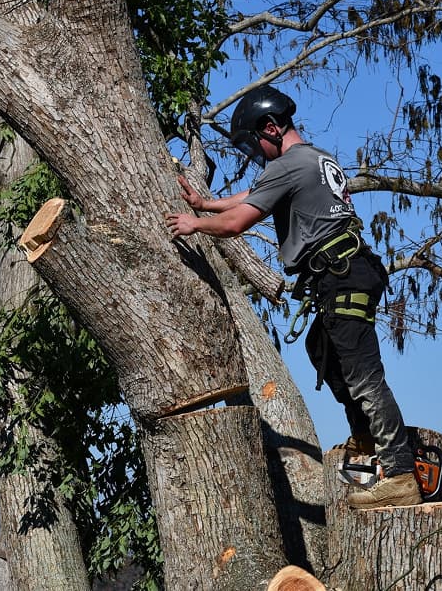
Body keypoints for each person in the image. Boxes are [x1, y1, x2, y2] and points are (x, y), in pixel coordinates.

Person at [165, 85, 421, 509]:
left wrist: (195, 224)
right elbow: (256, 194)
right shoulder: (314, 158)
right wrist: (206, 204)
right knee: (323, 350)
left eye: (255, 143)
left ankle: (399, 474)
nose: (257, 153)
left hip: (342, 275)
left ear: (270, 127)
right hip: (349, 271)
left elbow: (237, 223)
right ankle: (366, 442)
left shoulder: (288, 164)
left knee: (363, 375)